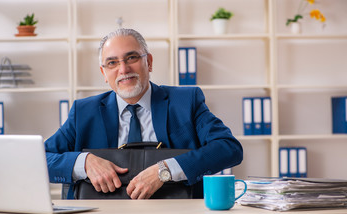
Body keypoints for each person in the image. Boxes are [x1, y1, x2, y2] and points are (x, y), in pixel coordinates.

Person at [45, 28, 243, 200]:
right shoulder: (83, 112)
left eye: (131, 58)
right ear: (104, 73)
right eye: (112, 63)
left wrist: (165, 171)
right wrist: (85, 162)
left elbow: (229, 148)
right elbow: (41, 158)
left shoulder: (186, 101)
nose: (123, 69)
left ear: (148, 62)